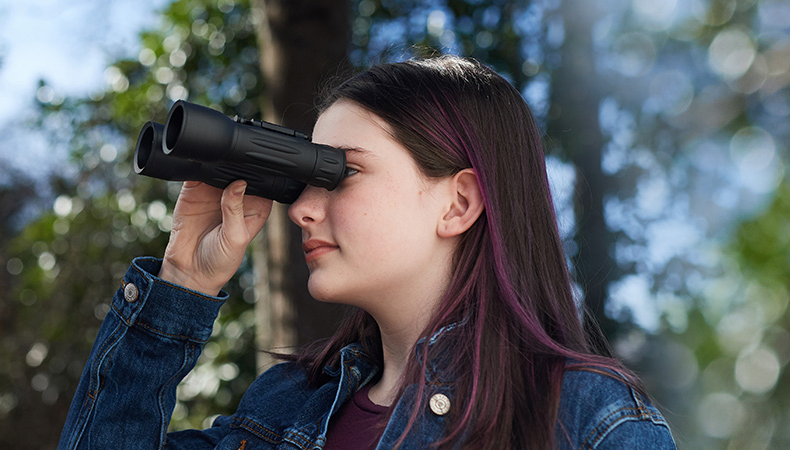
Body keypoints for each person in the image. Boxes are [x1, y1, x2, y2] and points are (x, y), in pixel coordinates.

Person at [57, 55, 676, 449]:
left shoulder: (586, 421)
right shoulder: (282, 409)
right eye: (304, 179)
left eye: (341, 174)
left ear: (458, 204)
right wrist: (181, 284)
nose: (301, 209)